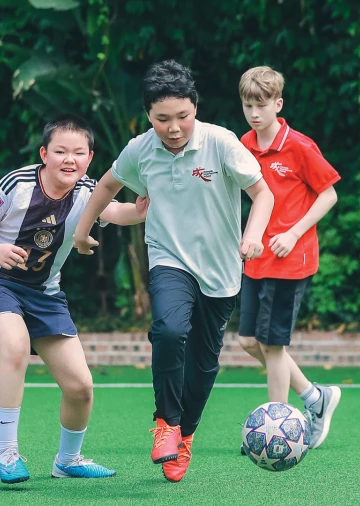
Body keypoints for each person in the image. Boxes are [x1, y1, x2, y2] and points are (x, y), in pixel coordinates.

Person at [73, 60, 274, 483]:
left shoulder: (221, 143)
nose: (175, 127)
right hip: (168, 258)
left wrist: (253, 235)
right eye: (163, 119)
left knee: (202, 365)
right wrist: (82, 231)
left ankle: (186, 436)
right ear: (149, 115)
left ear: (194, 108)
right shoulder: (139, 149)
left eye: (183, 116)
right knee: (167, 329)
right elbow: (106, 185)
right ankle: (166, 423)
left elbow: (263, 194)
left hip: (221, 269)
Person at [0, 115, 147, 483]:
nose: (70, 159)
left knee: (80, 388)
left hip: (45, 294)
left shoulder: (88, 191)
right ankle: (7, 454)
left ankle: (68, 460)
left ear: (90, 158)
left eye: (79, 153)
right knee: (14, 347)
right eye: (61, 151)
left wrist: (143, 209)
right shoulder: (17, 183)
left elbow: (118, 212)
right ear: (44, 154)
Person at [236, 66, 342, 451]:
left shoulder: (299, 146)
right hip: (255, 256)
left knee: (272, 344)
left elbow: (328, 194)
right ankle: (315, 397)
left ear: (277, 104)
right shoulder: (243, 144)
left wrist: (294, 232)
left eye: (261, 105)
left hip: (290, 258)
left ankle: (277, 430)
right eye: (248, 105)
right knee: (249, 341)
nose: (254, 113)